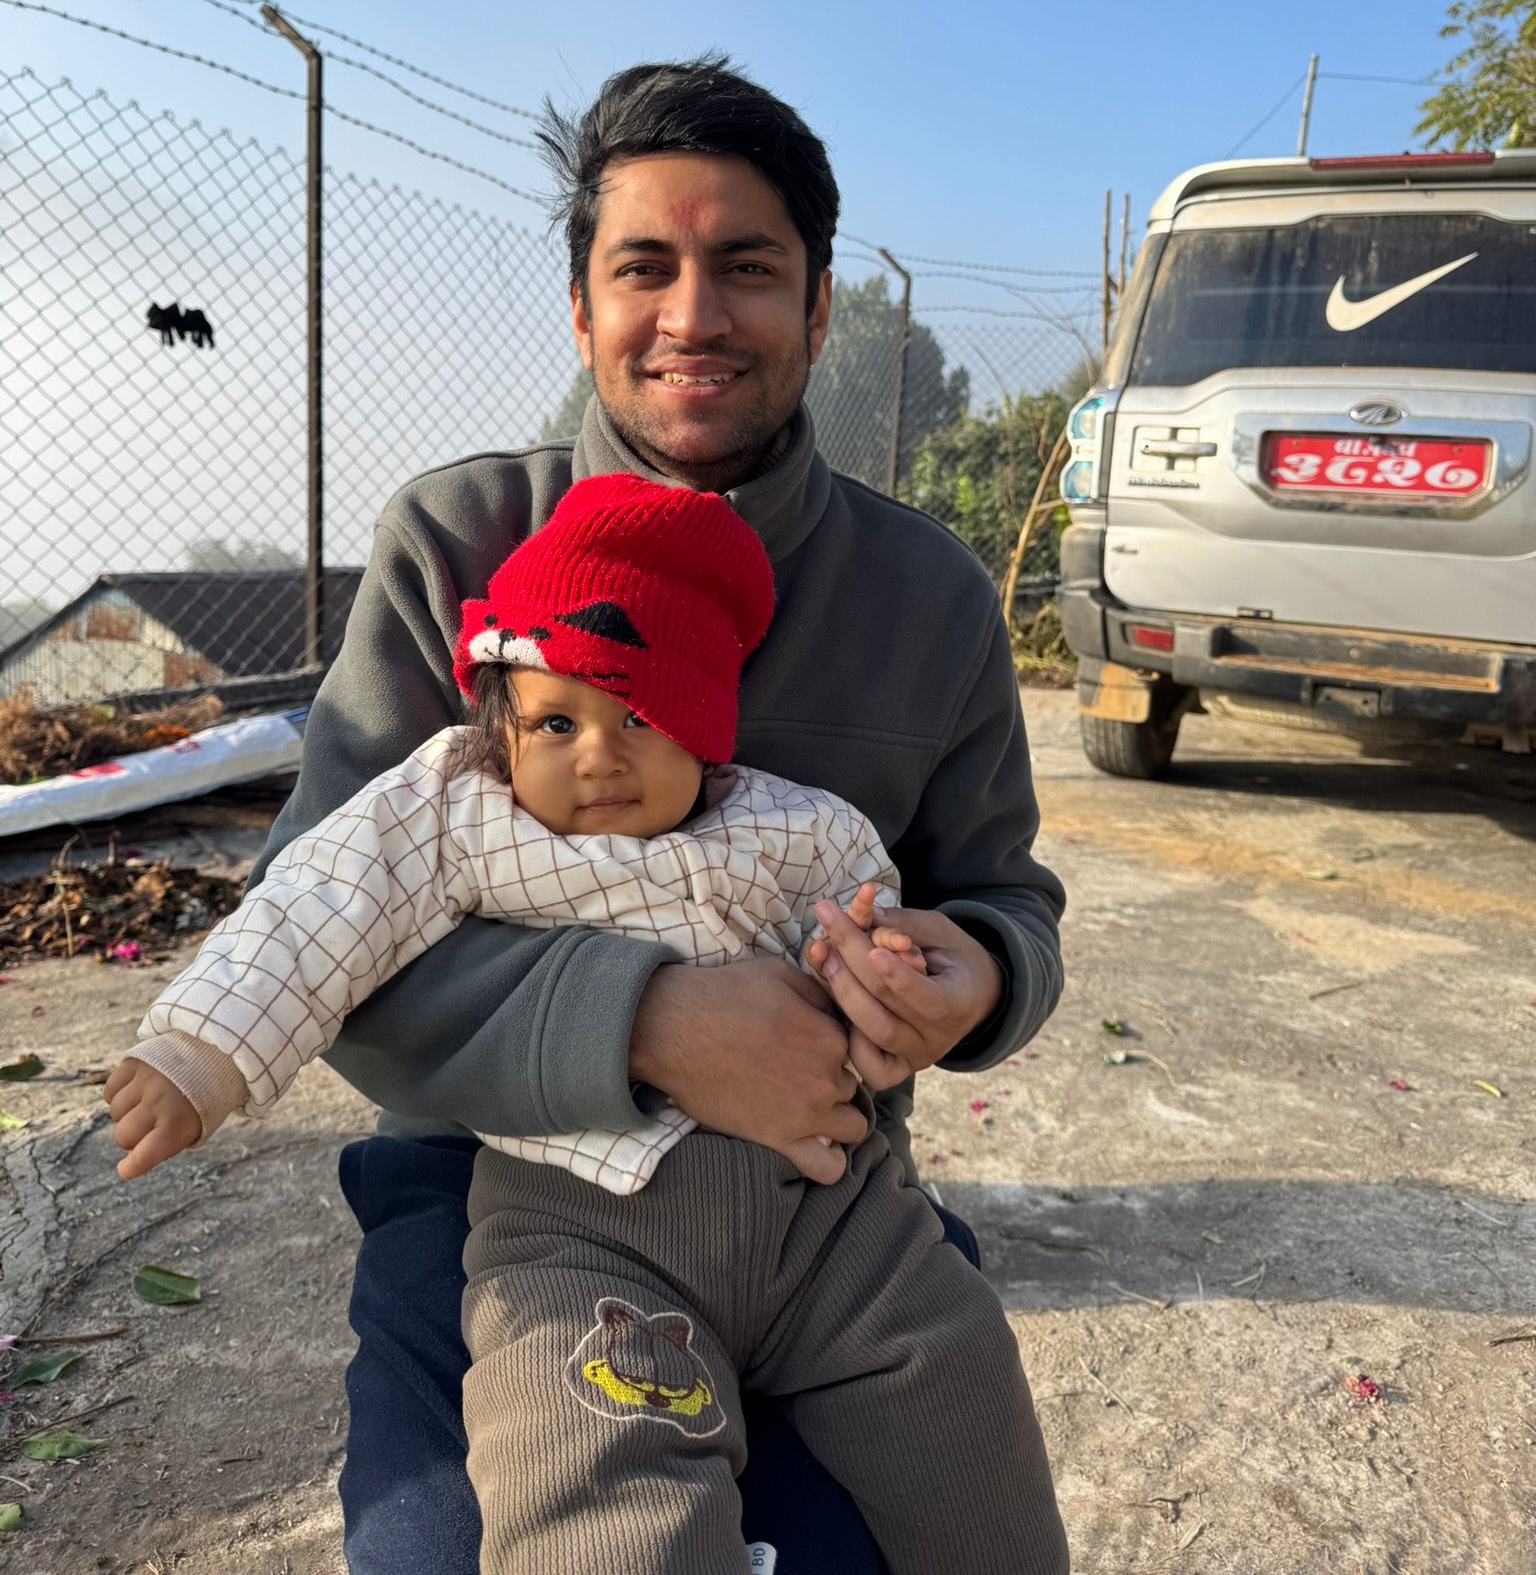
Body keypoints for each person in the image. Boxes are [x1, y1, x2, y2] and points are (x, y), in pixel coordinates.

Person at [245, 56, 1068, 1573]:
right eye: (646, 268)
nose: (694, 316)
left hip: (820, 1194)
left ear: (821, 309)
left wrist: (980, 971)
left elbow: (1006, 896)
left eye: (747, 269)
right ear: (581, 310)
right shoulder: (454, 548)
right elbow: (316, 935)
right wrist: (643, 1020)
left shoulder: (930, 599)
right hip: (505, 1190)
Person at [104, 475, 1067, 1573]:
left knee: (958, 1383)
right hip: (586, 1221)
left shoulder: (793, 821)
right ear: (500, 719)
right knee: (589, 1475)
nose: (599, 754)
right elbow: (320, 906)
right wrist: (198, 1052)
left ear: (707, 723)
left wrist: (906, 974)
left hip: (831, 1217)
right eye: (556, 719)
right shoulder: (458, 810)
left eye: (641, 715)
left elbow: (870, 917)